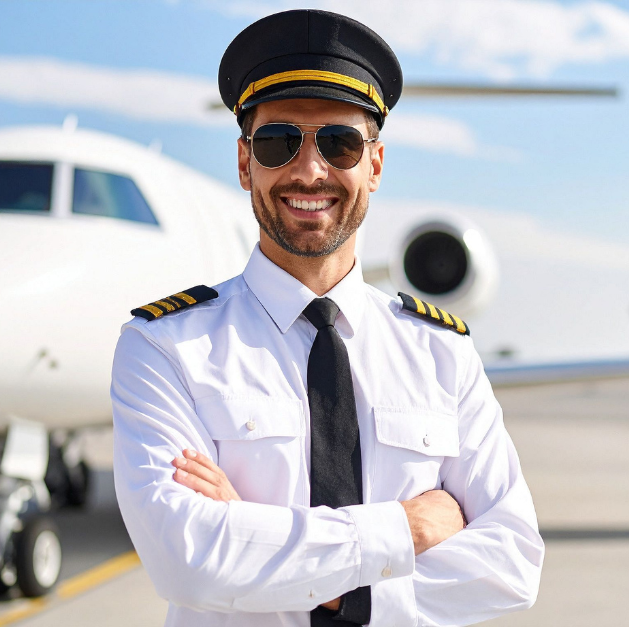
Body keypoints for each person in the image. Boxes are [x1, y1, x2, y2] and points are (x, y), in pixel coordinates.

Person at [111, 9, 543, 626]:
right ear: (244, 162)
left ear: (374, 163)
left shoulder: (442, 353)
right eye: (277, 141)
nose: (309, 169)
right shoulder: (165, 348)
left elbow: (512, 564)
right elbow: (190, 561)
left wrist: (281, 558)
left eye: (339, 141)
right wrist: (407, 529)